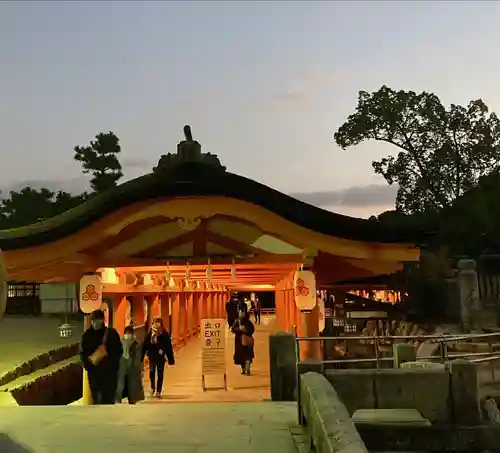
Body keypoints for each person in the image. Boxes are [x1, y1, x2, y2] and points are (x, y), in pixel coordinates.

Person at [80, 309, 123, 405]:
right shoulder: (87, 336)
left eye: (97, 320)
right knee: (99, 398)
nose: (95, 323)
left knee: (107, 398)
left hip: (107, 374)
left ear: (102, 320)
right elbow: (83, 354)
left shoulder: (110, 334)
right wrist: (89, 367)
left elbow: (118, 351)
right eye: (93, 320)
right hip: (97, 374)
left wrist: (112, 365)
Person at [142, 317, 175, 397]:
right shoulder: (150, 333)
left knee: (160, 373)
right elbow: (145, 344)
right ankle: (153, 387)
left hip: (161, 356)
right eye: (154, 322)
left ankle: (159, 391)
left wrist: (170, 359)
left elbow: (168, 346)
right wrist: (142, 356)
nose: (156, 324)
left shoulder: (164, 333)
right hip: (152, 356)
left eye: (157, 322)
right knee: (152, 372)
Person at [115, 326, 145, 404]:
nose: (128, 335)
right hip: (129, 366)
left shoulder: (121, 342)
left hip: (125, 366)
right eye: (127, 333)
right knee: (128, 384)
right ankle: (130, 399)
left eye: (128, 333)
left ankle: (120, 399)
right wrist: (141, 369)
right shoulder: (134, 343)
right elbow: (138, 358)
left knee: (123, 384)